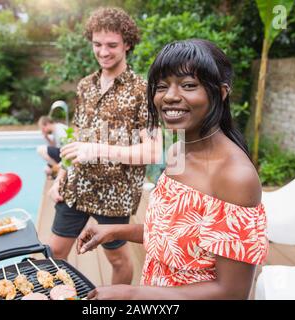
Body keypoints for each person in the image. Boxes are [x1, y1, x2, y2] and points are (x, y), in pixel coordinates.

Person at [76, 39, 269, 300]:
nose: (169, 97)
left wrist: (133, 295)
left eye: (189, 86)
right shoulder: (178, 151)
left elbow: (231, 292)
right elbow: (173, 234)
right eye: (161, 87)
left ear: (221, 92)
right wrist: (113, 230)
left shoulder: (234, 177)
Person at [47, 7, 163, 285]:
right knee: (53, 254)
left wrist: (98, 150)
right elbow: (76, 139)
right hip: (76, 186)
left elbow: (153, 151)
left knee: (118, 259)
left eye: (112, 45)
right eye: (97, 45)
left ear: (127, 44)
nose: (103, 52)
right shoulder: (85, 85)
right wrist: (59, 177)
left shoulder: (142, 91)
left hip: (115, 196)